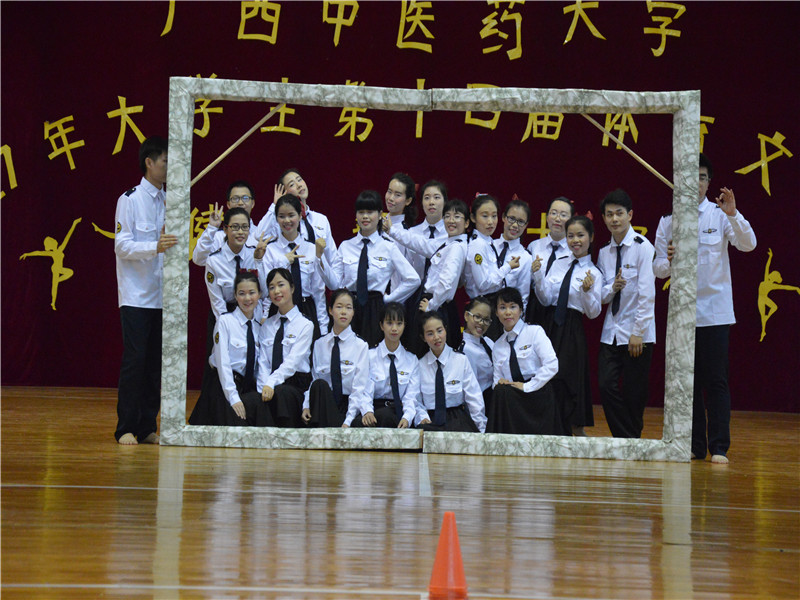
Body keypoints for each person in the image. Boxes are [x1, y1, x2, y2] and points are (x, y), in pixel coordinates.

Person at [653, 153, 757, 464]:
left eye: (702, 177)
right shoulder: (668, 221)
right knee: (688, 383)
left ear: (708, 183)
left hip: (715, 312)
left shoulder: (719, 215)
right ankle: (695, 445)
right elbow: (658, 269)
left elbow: (748, 244)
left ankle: (719, 447)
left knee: (716, 380)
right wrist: (669, 260)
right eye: (691, 177)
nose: (696, 182)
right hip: (683, 315)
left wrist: (734, 214)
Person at [113, 136, 177, 445]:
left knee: (155, 365)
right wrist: (155, 246)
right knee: (135, 362)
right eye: (165, 161)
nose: (169, 167)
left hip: (163, 296)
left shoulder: (170, 201)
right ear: (149, 162)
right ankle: (125, 427)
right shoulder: (130, 199)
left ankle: (147, 426)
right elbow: (122, 246)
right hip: (136, 296)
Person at [318, 190, 420, 347]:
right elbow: (334, 284)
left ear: (380, 215)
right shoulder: (346, 246)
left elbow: (413, 279)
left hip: (375, 309)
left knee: (372, 354)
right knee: (346, 352)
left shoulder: (388, 247)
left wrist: (388, 299)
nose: (365, 216)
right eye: (361, 212)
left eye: (370, 212)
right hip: (348, 307)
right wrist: (320, 258)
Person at [596, 189, 656, 439]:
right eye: (609, 214)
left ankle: (629, 441)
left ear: (630, 215)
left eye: (619, 213)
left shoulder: (643, 247)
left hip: (637, 332)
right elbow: (601, 296)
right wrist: (612, 287)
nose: (614, 219)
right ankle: (629, 440)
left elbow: (647, 294)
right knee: (605, 385)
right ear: (603, 218)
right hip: (611, 331)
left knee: (634, 393)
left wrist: (638, 332)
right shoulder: (603, 252)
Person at [538, 215, 603, 436]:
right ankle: (550, 425)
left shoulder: (594, 273)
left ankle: (575, 427)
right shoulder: (558, 263)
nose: (575, 240)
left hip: (572, 328)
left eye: (580, 235)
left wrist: (586, 292)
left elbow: (593, 313)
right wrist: (538, 276)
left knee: (569, 377)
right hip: (550, 325)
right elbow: (546, 298)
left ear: (591, 237)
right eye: (570, 236)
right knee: (547, 375)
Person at [384, 198, 469, 353]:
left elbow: (446, 282)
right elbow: (421, 244)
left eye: (457, 217)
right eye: (447, 216)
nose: (451, 221)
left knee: (430, 352)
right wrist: (393, 230)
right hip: (435, 304)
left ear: (467, 223)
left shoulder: (456, 247)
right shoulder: (448, 243)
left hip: (437, 306)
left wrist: (431, 306)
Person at [188, 271, 267, 427]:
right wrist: (233, 397)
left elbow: (260, 366)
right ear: (235, 296)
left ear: (259, 295)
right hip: (223, 385)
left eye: (252, 293)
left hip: (246, 386)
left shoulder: (260, 328)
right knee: (233, 430)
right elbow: (223, 362)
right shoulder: (225, 322)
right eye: (241, 293)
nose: (247, 298)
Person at [489, 287, 559, 435]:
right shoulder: (498, 346)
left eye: (513, 307)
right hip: (513, 398)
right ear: (496, 312)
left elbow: (552, 365)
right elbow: (496, 380)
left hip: (537, 392)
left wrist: (528, 386)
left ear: (521, 310)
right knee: (500, 392)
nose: (508, 312)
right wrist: (501, 382)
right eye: (502, 307)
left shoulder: (535, 332)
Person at [259, 193, 327, 338]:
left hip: (306, 308)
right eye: (281, 216)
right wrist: (283, 262)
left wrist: (323, 327)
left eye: (291, 215)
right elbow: (266, 289)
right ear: (276, 219)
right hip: (278, 309)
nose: (287, 220)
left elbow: (318, 292)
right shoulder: (270, 250)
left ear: (300, 216)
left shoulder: (311, 248)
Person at [302, 289, 371, 428]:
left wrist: (348, 420)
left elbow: (359, 388)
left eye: (348, 308)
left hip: (348, 406)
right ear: (330, 310)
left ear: (353, 312)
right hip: (324, 404)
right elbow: (314, 379)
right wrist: (306, 405)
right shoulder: (319, 344)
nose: (343, 312)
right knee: (319, 385)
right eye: (339, 307)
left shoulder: (361, 346)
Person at [256, 268, 314, 427]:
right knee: (255, 400)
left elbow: (292, 362)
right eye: (272, 287)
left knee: (281, 393)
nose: (276, 291)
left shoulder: (305, 325)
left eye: (281, 285)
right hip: (271, 384)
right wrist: (263, 388)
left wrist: (271, 383)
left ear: (292, 288)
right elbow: (263, 363)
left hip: (295, 385)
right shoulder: (267, 325)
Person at [416, 311, 487, 433]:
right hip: (430, 421)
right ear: (423, 337)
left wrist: (481, 429)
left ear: (445, 330)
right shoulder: (419, 365)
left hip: (457, 419)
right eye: (430, 334)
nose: (436, 337)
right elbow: (416, 400)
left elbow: (474, 398)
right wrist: (422, 417)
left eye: (439, 331)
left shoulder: (461, 360)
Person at [466, 194, 520, 340]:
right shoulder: (477, 245)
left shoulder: (489, 242)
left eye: (494, 216)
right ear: (473, 218)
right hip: (482, 306)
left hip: (492, 303)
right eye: (485, 216)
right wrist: (508, 267)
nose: (490, 222)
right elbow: (483, 284)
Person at [262, 168, 337, 264]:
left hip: (320, 272)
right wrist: (275, 205)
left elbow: (332, 257)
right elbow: (260, 236)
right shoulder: (283, 222)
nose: (299, 185)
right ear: (284, 193)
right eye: (292, 184)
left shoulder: (321, 219)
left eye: (299, 180)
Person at [364, 302, 421, 428]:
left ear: (404, 325)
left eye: (399, 323)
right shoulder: (369, 356)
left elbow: (411, 396)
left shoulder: (412, 360)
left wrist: (407, 418)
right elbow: (365, 390)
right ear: (381, 325)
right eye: (389, 323)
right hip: (374, 410)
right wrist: (367, 411)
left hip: (398, 411)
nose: (394, 328)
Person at [204, 207, 261, 321]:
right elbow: (217, 302)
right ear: (225, 229)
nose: (240, 232)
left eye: (245, 227)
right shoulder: (214, 261)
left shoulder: (254, 255)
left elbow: (263, 291)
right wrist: (228, 325)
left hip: (252, 315)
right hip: (223, 316)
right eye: (235, 227)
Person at [488, 197, 533, 339]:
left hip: (506, 317)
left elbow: (523, 297)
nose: (515, 225)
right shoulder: (488, 246)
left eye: (520, 222)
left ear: (526, 225)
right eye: (511, 219)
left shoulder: (525, 257)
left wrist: (516, 327)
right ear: (503, 217)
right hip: (483, 311)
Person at [192, 180, 263, 266]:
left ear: (253, 203)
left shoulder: (260, 235)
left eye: (245, 198)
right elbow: (199, 260)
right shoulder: (218, 236)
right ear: (228, 204)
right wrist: (211, 228)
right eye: (235, 199)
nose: (240, 203)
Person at [526, 196, 575, 325]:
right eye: (553, 213)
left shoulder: (574, 252)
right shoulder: (534, 246)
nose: (557, 219)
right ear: (547, 217)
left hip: (560, 314)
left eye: (563, 215)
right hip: (534, 311)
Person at [458, 296, 495, 410]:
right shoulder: (466, 350)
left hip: (495, 398)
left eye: (486, 319)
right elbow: (471, 391)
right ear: (466, 316)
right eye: (477, 317)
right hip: (483, 403)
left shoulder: (488, 341)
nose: (481, 323)